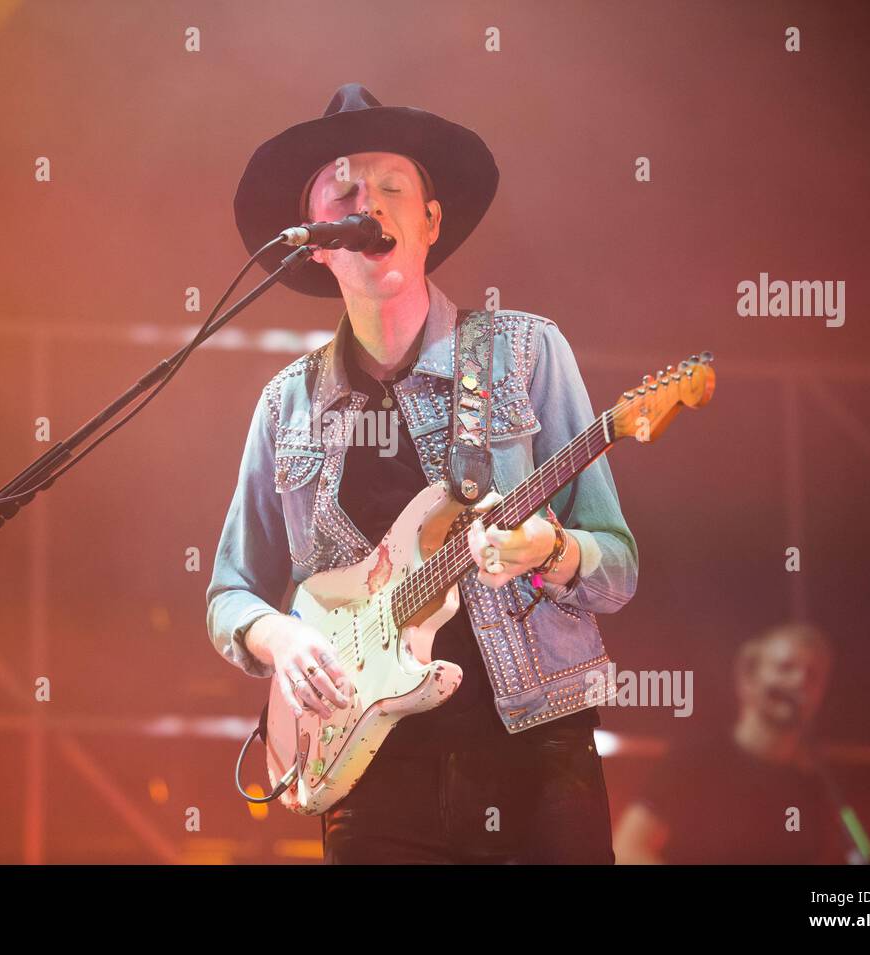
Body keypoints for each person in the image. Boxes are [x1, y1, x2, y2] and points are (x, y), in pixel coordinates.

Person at [208, 84, 638, 863]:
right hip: (370, 773)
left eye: (391, 187)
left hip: (536, 750)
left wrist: (551, 549)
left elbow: (619, 566)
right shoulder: (286, 407)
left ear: (430, 222)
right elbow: (229, 591)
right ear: (316, 242)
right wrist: (280, 637)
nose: (366, 199)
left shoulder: (528, 353)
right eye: (343, 190)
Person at [613, 622, 847, 864]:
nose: (800, 681)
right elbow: (627, 851)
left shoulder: (814, 788)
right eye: (785, 667)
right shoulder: (694, 761)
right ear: (748, 679)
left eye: (813, 675)